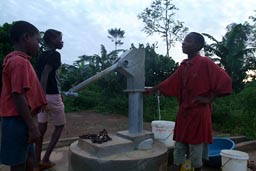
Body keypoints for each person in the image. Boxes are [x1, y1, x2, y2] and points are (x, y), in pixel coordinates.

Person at [145, 32, 232, 171]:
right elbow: (170, 82)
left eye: (188, 41)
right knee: (179, 145)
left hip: (199, 114)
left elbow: (225, 81)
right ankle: (176, 166)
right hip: (184, 113)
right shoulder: (184, 66)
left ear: (197, 46)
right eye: (184, 40)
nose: (183, 43)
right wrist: (152, 89)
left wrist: (209, 98)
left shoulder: (205, 62)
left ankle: (197, 168)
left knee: (195, 149)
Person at [0, 21, 47, 171]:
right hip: (17, 121)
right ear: (26, 37)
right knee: (19, 164)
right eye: (37, 40)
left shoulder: (20, 60)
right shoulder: (19, 62)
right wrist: (32, 126)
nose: (39, 45)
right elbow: (18, 96)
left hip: (22, 120)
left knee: (29, 158)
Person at [35, 29, 65, 170]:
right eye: (60, 38)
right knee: (59, 126)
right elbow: (46, 74)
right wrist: (43, 95)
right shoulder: (55, 55)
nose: (62, 41)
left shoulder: (41, 56)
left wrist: (39, 96)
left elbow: (40, 76)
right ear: (53, 40)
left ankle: (36, 161)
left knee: (42, 126)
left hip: (41, 96)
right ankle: (45, 159)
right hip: (51, 96)